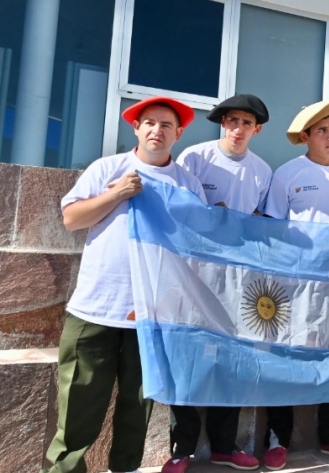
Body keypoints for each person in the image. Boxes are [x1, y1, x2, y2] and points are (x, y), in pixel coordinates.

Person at [41, 96, 207, 473]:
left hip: (153, 315)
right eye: (149, 122)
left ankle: (126, 468)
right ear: (136, 128)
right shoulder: (108, 168)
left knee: (137, 412)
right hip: (95, 310)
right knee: (78, 410)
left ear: (178, 134)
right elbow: (72, 219)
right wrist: (116, 194)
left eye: (166, 125)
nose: (156, 130)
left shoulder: (188, 184)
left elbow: (197, 245)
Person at [161, 94, 272, 473]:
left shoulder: (262, 170)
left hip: (238, 277)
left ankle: (225, 445)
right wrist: (210, 215)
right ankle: (182, 448)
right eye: (231, 121)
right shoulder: (195, 156)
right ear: (221, 123)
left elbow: (261, 220)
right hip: (193, 274)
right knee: (188, 356)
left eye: (246, 123)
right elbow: (176, 211)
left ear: (257, 129)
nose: (237, 129)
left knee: (232, 359)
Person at [261, 98, 329, 470]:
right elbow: (272, 227)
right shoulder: (287, 174)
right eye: (322, 130)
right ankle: (278, 439)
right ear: (306, 136)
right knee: (286, 356)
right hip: (292, 282)